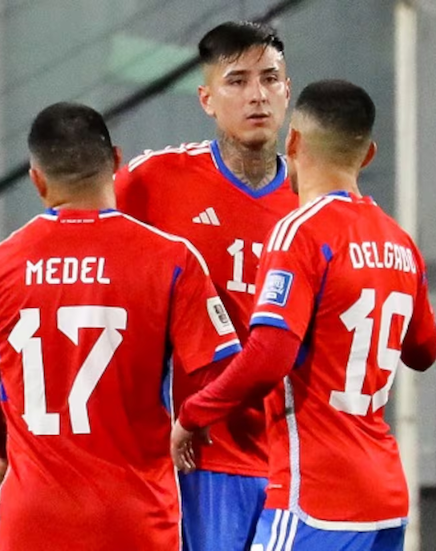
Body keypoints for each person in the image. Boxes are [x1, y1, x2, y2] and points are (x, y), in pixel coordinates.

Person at [171, 79, 436, 551]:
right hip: (385, 498)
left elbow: (269, 357)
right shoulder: (400, 243)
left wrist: (194, 413)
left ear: (292, 142)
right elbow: (423, 351)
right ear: (368, 155)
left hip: (316, 494)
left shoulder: (299, 232)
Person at [0, 102, 241, 550]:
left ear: (36, 180)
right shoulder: (172, 260)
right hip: (135, 521)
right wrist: (193, 420)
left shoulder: (4, 266)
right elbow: (226, 374)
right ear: (115, 161)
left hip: (31, 522)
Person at [114, 21, 297, 550]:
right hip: (197, 457)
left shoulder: (314, 199)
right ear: (207, 100)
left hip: (298, 462)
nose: (257, 95)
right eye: (237, 81)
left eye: (269, 78)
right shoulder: (153, 182)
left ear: (287, 90)